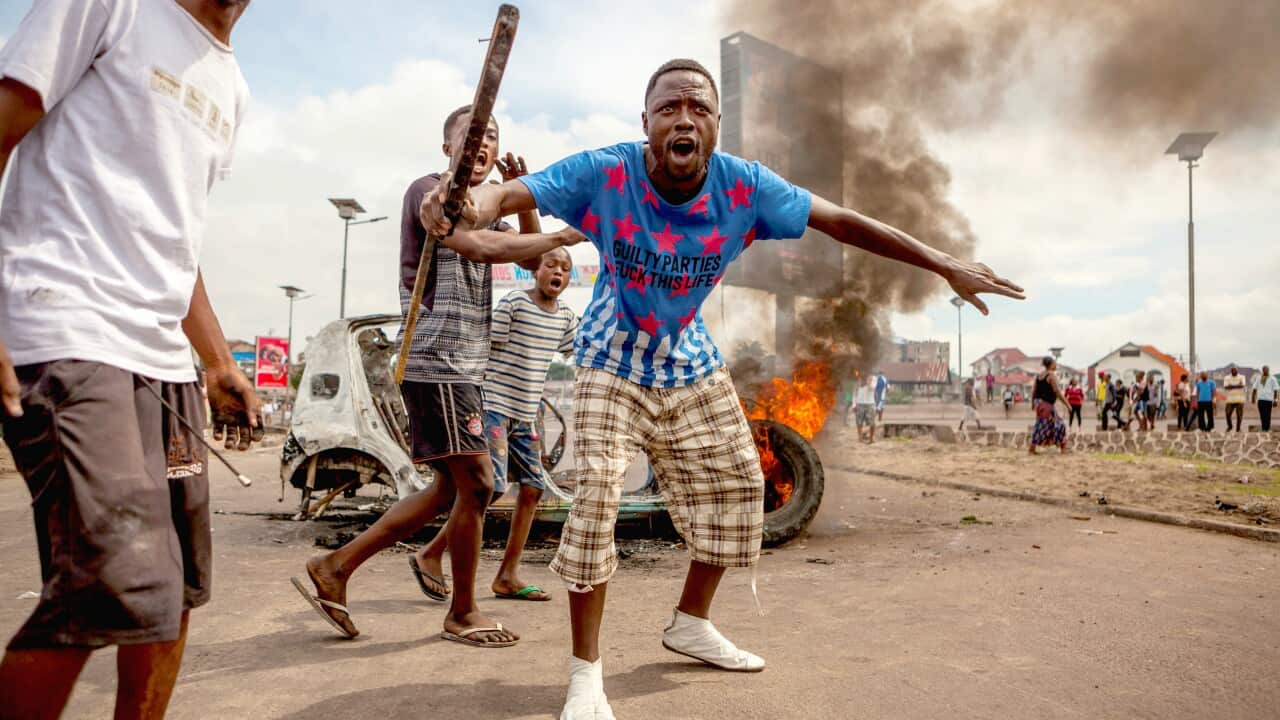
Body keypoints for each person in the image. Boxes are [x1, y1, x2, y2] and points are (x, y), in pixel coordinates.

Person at [424, 58, 1024, 719]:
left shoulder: (746, 188)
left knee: (742, 485)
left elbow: (844, 220)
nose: (684, 118)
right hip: (612, 357)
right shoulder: (607, 172)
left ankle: (689, 622)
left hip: (688, 358)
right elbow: (506, 199)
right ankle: (585, 676)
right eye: (669, 108)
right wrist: (464, 202)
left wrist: (943, 264)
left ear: (716, 123)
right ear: (646, 123)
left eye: (699, 108)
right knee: (596, 494)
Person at [0, 2, 260, 718]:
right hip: (66, 324)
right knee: (110, 580)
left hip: (165, 365)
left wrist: (216, 359)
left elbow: (173, 233)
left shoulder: (231, 83)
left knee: (178, 587)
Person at [293, 106, 584, 646]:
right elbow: (483, 247)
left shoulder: (485, 202)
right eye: (470, 135)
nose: (482, 145)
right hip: (438, 359)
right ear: (446, 146)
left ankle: (337, 567)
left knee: (450, 488)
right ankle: (462, 613)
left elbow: (520, 260)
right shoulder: (431, 194)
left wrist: (525, 200)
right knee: (479, 484)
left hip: (466, 365)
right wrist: (562, 237)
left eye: (491, 137)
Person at [412, 247, 580, 605]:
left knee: (534, 488)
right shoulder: (514, 304)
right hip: (494, 408)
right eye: (550, 264)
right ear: (535, 270)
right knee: (492, 488)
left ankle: (507, 575)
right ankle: (432, 551)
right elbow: (486, 345)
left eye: (565, 269)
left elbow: (580, 349)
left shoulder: (566, 316)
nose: (558, 272)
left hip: (525, 413)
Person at [1029, 357, 1069, 453]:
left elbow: (1034, 391)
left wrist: (1032, 403)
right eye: (1054, 363)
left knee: (1044, 425)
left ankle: (1061, 447)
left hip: (1039, 403)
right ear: (1050, 365)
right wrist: (1067, 404)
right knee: (1059, 424)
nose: (1056, 365)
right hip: (1046, 405)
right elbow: (1057, 392)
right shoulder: (1051, 376)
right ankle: (1062, 448)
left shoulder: (1039, 376)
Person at [1252, 365, 1278, 432]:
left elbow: (1276, 390)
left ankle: (1268, 428)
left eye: (1266, 370)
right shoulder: (1258, 378)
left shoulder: (1273, 378)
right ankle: (1264, 428)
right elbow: (1254, 388)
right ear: (1262, 370)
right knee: (1262, 414)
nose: (1265, 371)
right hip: (1260, 399)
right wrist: (1253, 397)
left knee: (1267, 414)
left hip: (1269, 400)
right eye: (1264, 370)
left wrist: (1275, 400)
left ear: (1268, 370)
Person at [1223, 365, 1247, 432]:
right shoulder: (1227, 377)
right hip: (1230, 399)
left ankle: (1238, 428)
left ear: (1237, 370)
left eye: (1235, 370)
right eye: (1232, 370)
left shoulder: (1242, 377)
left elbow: (1242, 385)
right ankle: (1230, 426)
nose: (1234, 371)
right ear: (1231, 371)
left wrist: (1231, 385)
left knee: (1239, 415)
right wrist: (1237, 385)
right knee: (1227, 414)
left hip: (1240, 399)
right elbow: (1226, 387)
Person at [854, 374, 877, 443]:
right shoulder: (858, 380)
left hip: (870, 404)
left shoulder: (873, 378)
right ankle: (860, 438)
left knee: (872, 423)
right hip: (859, 404)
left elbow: (872, 388)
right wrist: (854, 405)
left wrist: (868, 381)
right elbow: (855, 393)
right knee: (859, 422)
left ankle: (871, 438)